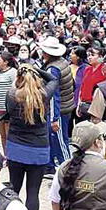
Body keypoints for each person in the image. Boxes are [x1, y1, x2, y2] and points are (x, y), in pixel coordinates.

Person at [5, 64, 56, 210]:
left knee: (14, 189)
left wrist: (23, 71)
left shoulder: (12, 95)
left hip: (15, 147)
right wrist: (34, 69)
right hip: (38, 149)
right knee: (33, 193)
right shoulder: (44, 95)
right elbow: (53, 79)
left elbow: (6, 113)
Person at [40, 36, 74, 165]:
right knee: (55, 139)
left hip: (59, 110)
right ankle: (50, 166)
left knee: (60, 141)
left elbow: (54, 95)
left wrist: (54, 118)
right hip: (66, 106)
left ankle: (67, 168)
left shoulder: (52, 69)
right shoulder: (63, 62)